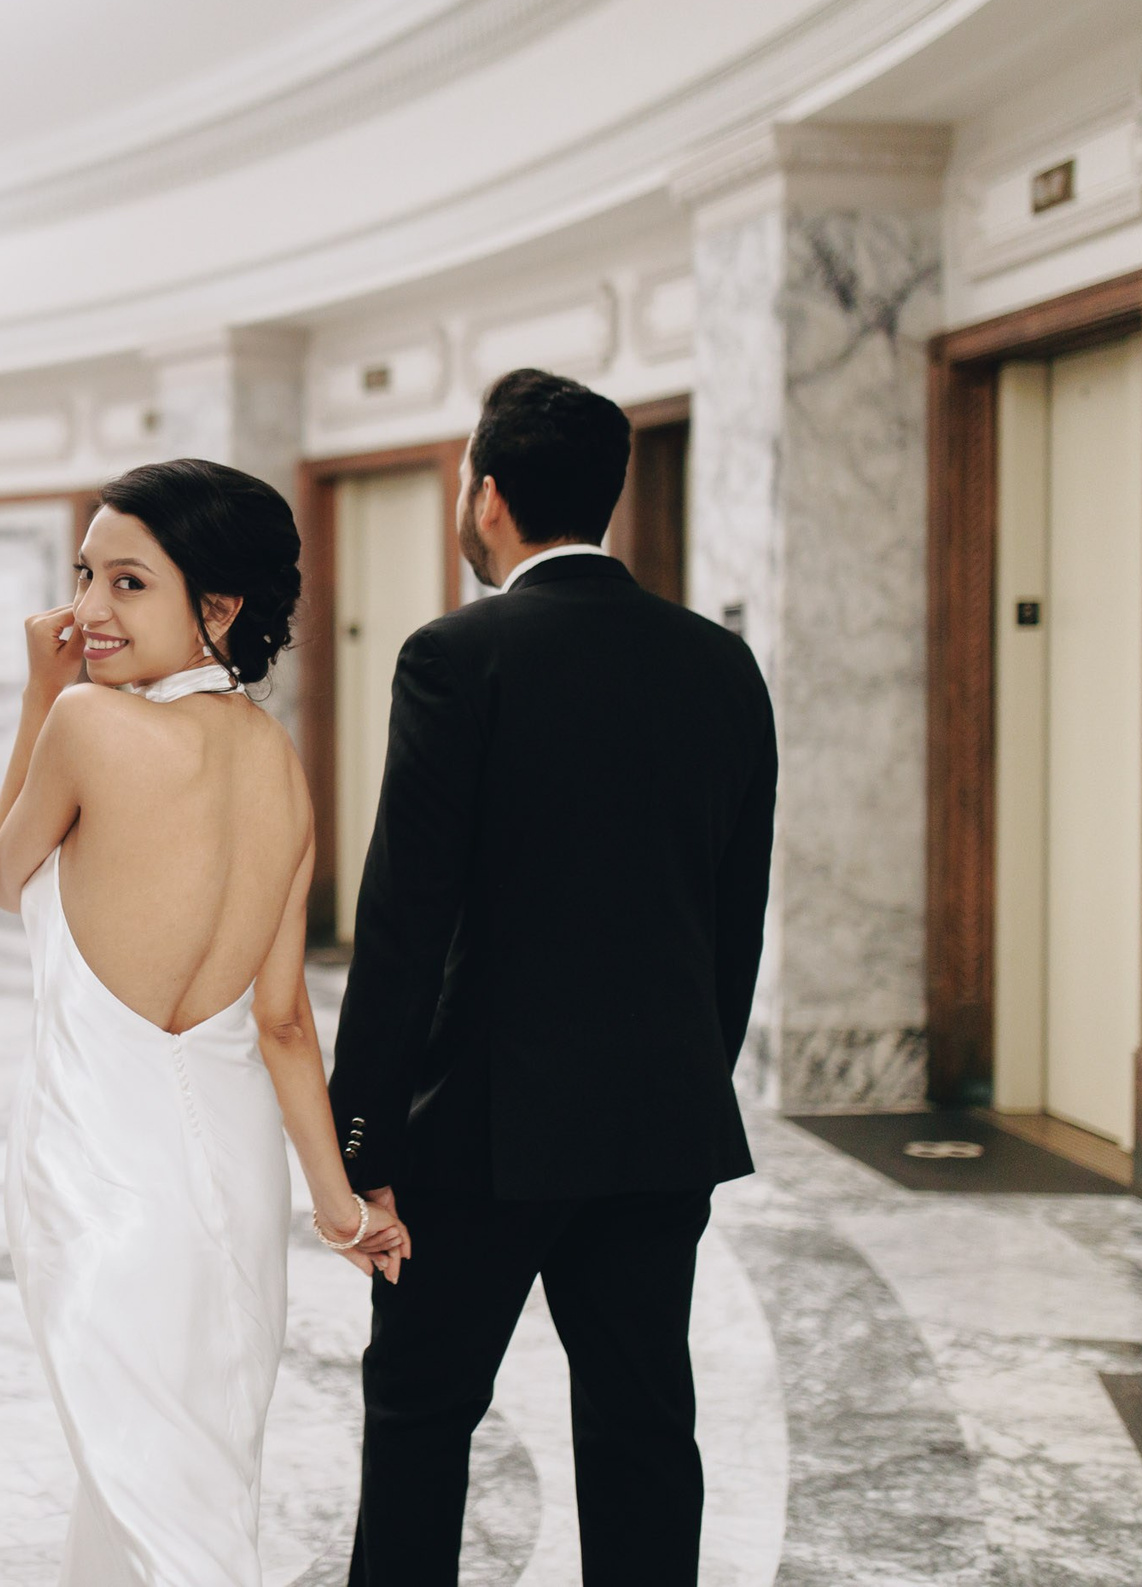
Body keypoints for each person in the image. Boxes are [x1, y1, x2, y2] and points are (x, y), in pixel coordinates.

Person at [331, 369, 778, 1585]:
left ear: (486, 496)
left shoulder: (452, 657)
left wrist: (358, 1144)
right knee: (642, 1427)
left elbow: (402, 926)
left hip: (479, 1132)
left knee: (420, 1418)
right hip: (657, 1125)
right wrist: (682, 1081)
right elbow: (732, 921)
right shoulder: (719, 664)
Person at [0, 457, 408, 1585]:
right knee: (190, 1483)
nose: (83, 612)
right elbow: (281, 1023)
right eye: (83, 576)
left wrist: (39, 695)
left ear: (218, 608)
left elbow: (0, 871)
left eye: (128, 584)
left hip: (94, 1168)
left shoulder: (82, 723)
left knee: (147, 1496)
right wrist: (336, 1207)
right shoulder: (282, 767)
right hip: (230, 1190)